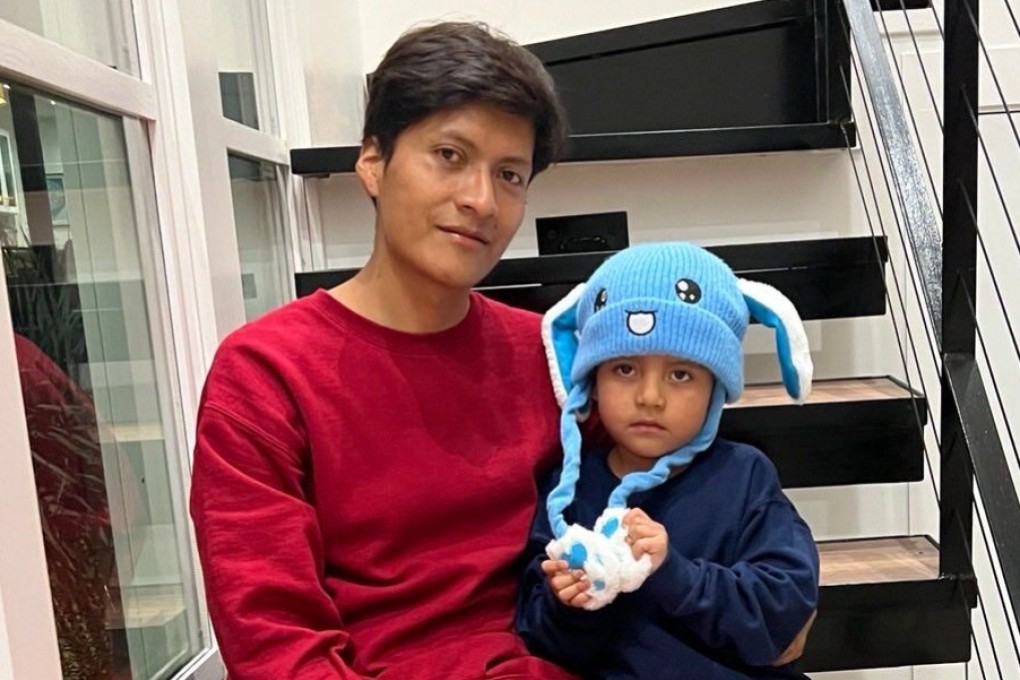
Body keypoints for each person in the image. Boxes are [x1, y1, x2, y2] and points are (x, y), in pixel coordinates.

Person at [188, 21, 580, 680]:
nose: (479, 200)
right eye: (450, 155)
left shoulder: (547, 354)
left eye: (509, 174)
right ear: (373, 162)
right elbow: (274, 643)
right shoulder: (264, 373)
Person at [516, 242, 820, 679]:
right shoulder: (567, 492)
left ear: (716, 388)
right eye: (624, 369)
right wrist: (570, 604)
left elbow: (782, 616)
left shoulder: (744, 477)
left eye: (681, 375)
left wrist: (673, 573)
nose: (650, 397)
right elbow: (540, 639)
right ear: (590, 383)